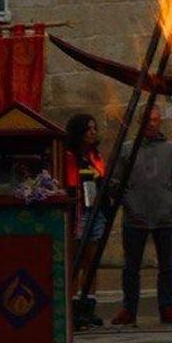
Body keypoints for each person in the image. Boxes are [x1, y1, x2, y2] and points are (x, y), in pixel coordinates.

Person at [111, 108, 172, 326]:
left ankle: (167, 306)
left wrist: (171, 201)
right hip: (135, 216)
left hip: (166, 217)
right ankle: (129, 308)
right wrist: (129, 202)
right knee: (131, 267)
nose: (151, 123)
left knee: (168, 265)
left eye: (154, 120)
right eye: (147, 120)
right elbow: (115, 180)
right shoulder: (127, 149)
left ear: (160, 121)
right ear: (139, 121)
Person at [65, 113, 108, 329]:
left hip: (95, 210)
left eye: (94, 128)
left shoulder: (94, 155)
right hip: (78, 212)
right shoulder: (69, 156)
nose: (92, 132)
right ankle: (73, 307)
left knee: (91, 261)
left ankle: (88, 305)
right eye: (88, 129)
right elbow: (70, 183)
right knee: (75, 259)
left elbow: (101, 178)